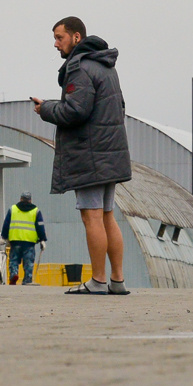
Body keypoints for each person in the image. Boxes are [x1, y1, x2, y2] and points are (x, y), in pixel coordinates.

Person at [30, 17, 132, 296]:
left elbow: (75, 111)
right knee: (108, 217)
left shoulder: (79, 67)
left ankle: (98, 280)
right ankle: (117, 279)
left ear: (76, 37)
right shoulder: (106, 66)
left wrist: (46, 109)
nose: (55, 43)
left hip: (90, 155)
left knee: (92, 217)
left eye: (59, 37)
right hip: (109, 152)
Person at [0, 190, 46, 286]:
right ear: (30, 200)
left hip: (15, 241)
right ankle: (27, 280)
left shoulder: (13, 209)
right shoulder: (35, 211)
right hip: (29, 242)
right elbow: (40, 226)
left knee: (14, 260)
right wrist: (42, 239)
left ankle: (13, 275)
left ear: (20, 199)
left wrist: (3, 237)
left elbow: (6, 224)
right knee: (28, 262)